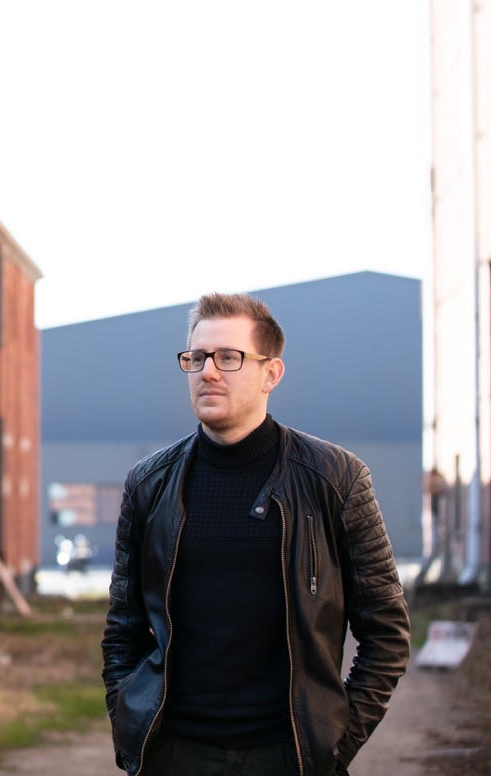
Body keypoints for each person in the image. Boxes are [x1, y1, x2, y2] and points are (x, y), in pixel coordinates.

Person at [101, 292, 409, 776]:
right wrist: (130, 727)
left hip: (288, 754)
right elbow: (123, 628)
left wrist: (336, 744)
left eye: (229, 357)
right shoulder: (150, 484)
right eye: (197, 358)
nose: (208, 371)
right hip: (175, 753)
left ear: (271, 373)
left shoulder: (336, 478)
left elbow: (387, 630)